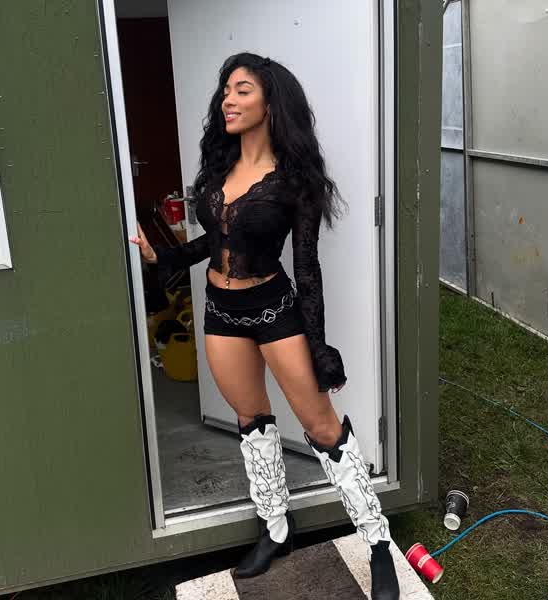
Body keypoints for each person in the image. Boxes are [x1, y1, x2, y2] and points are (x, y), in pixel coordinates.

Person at [130, 52, 399, 599]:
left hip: (274, 310)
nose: (227, 99)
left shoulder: (295, 181)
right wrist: (164, 257)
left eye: (242, 90)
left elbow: (307, 268)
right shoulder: (218, 170)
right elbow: (216, 243)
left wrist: (319, 347)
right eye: (225, 90)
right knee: (251, 421)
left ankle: (378, 544)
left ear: (270, 102)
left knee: (322, 428)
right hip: (220, 312)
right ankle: (275, 528)